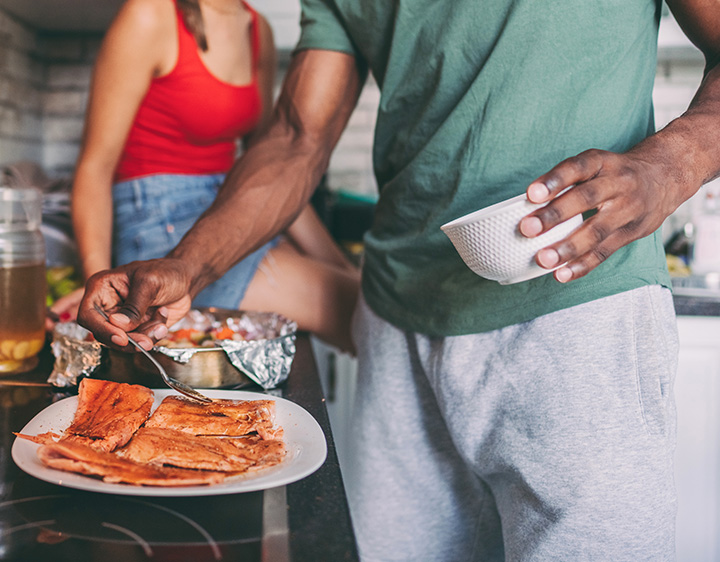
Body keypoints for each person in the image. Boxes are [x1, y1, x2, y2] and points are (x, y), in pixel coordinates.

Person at [79, 1, 720, 560]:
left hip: (578, 310)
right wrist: (189, 264)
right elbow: (298, 137)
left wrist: (674, 163)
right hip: (394, 329)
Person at [51, 0, 359, 352]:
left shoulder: (259, 30)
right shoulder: (150, 13)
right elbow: (95, 168)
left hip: (230, 211)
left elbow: (275, 172)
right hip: (160, 223)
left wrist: (343, 265)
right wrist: (100, 283)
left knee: (362, 295)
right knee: (356, 311)